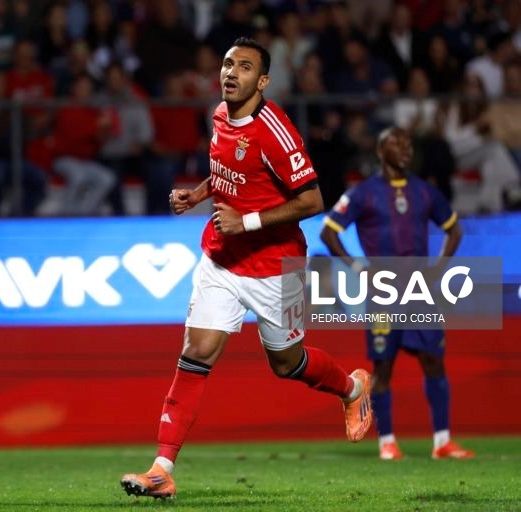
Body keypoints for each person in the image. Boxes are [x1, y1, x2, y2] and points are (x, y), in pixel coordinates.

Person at [120, 37, 373, 499]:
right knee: (197, 351)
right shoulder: (219, 115)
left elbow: (313, 199)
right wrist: (198, 196)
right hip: (221, 258)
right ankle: (162, 468)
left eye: (244, 67)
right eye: (227, 64)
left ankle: (352, 388)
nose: (231, 73)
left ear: (263, 81)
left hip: (276, 268)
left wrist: (248, 220)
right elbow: (225, 173)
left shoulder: (275, 130)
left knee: (288, 363)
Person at [320, 127, 474, 461]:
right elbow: (329, 231)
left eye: (408, 144)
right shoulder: (363, 193)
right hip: (384, 290)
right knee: (384, 366)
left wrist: (438, 268)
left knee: (434, 360)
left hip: (420, 289)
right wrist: (359, 268)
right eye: (396, 144)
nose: (405, 149)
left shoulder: (424, 191)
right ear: (379, 151)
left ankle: (442, 442)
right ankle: (387, 442)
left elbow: (454, 229)